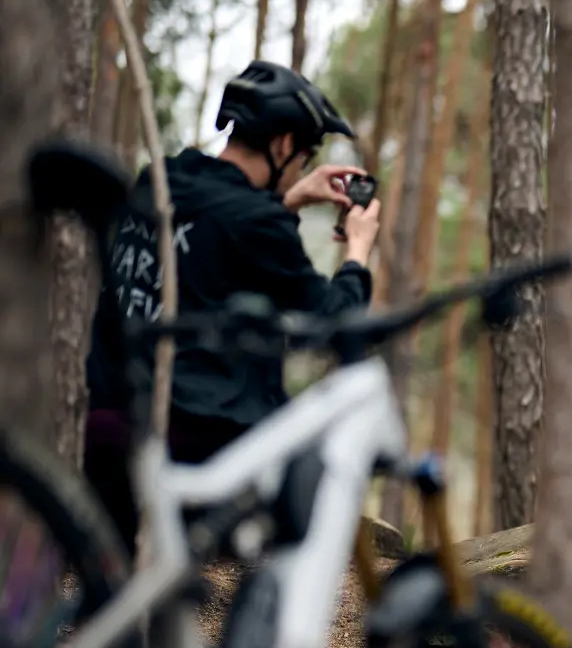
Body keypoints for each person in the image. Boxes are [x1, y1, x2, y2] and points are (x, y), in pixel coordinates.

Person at [83, 60, 384, 551]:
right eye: (304, 158)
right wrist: (357, 250)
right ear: (284, 145)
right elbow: (334, 326)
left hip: (106, 424)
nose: (302, 168)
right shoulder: (254, 224)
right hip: (193, 441)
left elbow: (204, 245)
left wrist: (283, 202)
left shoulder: (157, 182)